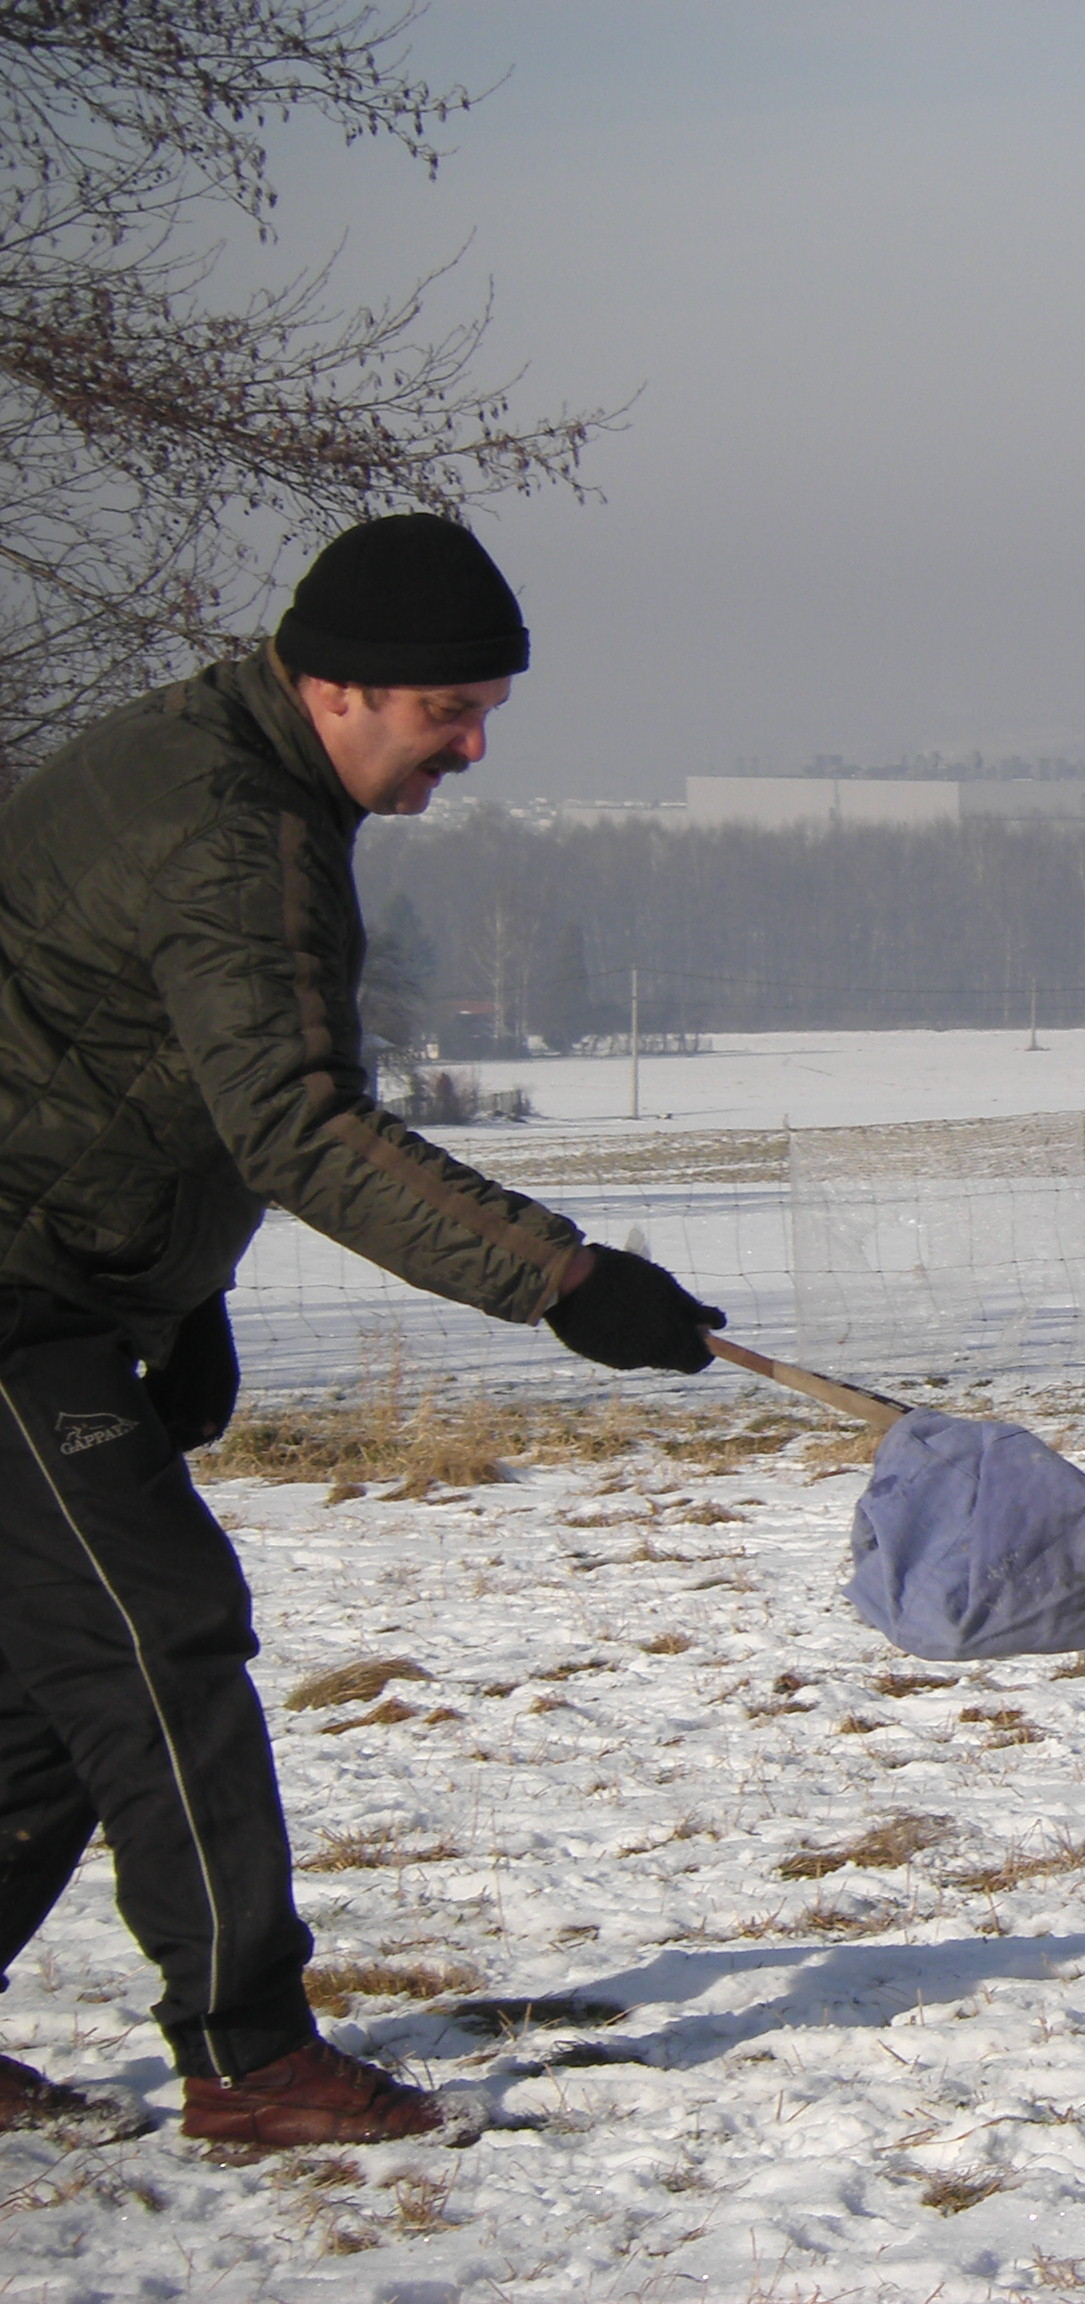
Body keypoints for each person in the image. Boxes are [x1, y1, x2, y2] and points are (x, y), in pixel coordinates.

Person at [0, 515, 726, 2150]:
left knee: (59, 1684)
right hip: (12, 1297)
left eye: (487, 712)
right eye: (447, 710)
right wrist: (568, 1279)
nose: (471, 748)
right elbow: (300, 1123)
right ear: (337, 686)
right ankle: (250, 2057)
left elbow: (143, 1070)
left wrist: (172, 1303)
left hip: (58, 1283)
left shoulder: (234, 777)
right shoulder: (229, 827)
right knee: (160, 1633)